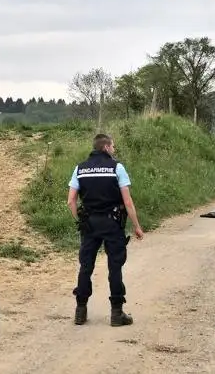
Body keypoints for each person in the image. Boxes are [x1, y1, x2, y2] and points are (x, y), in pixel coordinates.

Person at [67, 133, 144, 327]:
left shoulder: (80, 169)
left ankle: (80, 311)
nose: (114, 150)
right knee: (114, 267)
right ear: (106, 147)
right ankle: (117, 313)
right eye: (113, 147)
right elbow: (127, 201)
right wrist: (136, 226)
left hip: (89, 224)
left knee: (86, 266)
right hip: (112, 223)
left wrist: (80, 220)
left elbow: (71, 201)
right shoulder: (117, 168)